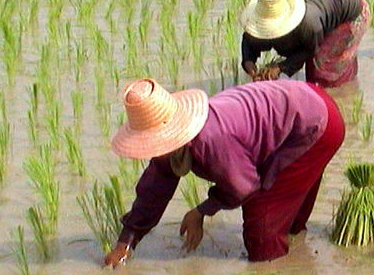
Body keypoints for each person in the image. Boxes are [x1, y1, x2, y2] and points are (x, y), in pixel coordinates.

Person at [103, 78, 345, 266]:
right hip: (309, 100)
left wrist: (202, 211)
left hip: (316, 125)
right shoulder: (171, 147)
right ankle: (296, 245)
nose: (151, 151)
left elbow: (244, 188)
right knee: (285, 210)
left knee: (262, 220)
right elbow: (153, 190)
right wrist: (126, 242)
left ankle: (275, 264)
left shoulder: (211, 140)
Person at [241, 0, 369, 88]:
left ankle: (343, 97)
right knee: (316, 72)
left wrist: (280, 67)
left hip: (351, 15)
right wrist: (249, 64)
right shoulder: (261, 26)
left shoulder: (308, 24)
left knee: (324, 71)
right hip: (325, 12)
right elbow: (249, 41)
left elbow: (309, 50)